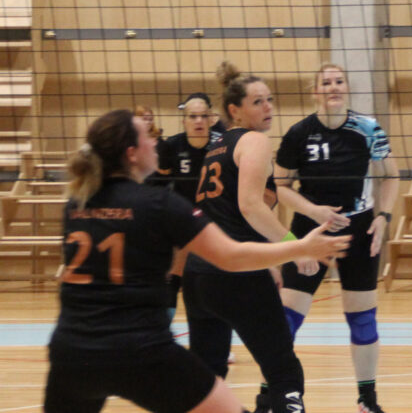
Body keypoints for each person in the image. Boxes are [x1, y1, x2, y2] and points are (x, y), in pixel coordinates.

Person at [44, 109, 349, 413]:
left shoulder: (76, 205)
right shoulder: (159, 204)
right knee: (274, 369)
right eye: (147, 137)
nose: (156, 141)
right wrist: (300, 247)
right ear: (132, 153)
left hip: (72, 352)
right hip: (140, 351)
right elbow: (231, 256)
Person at [183, 62, 318, 413]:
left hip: (199, 277)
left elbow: (223, 214)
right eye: (257, 102)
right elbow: (250, 207)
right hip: (235, 272)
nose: (268, 107)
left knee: (207, 379)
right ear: (235, 110)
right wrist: (296, 248)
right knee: (283, 370)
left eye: (269, 99)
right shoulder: (254, 140)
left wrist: (268, 262)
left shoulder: (215, 148)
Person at [274, 64, 399, 413]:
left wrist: (384, 218)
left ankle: (367, 400)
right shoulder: (298, 134)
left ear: (346, 88)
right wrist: (314, 212)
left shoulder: (368, 128)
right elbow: (280, 186)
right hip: (309, 231)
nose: (333, 87)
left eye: (338, 81)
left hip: (358, 229)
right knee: (286, 320)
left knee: (363, 319)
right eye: (326, 82)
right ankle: (269, 396)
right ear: (315, 91)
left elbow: (391, 176)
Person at [150, 93, 224, 320]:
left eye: (203, 116)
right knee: (175, 271)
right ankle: (164, 325)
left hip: (216, 218)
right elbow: (158, 185)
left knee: (216, 278)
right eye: (193, 116)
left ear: (211, 119)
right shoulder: (171, 146)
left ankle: (217, 328)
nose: (198, 121)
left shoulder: (223, 144)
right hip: (183, 217)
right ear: (184, 121)